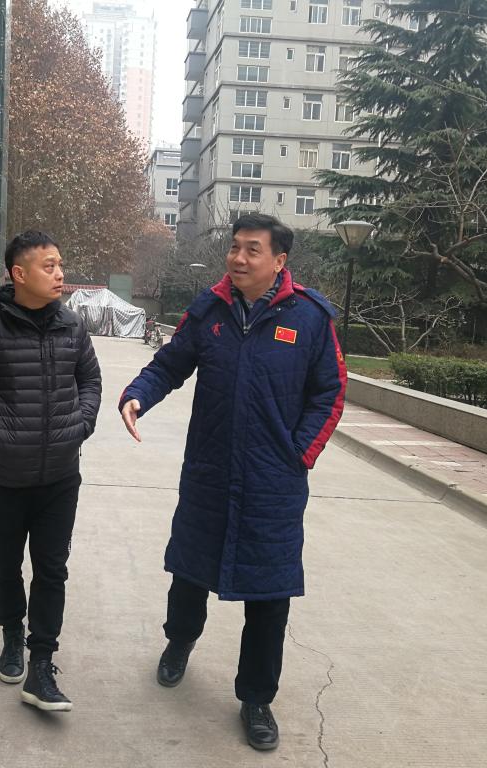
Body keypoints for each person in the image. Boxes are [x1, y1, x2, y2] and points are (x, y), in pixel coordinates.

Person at [119, 213, 346, 750]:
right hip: (210, 471)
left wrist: (298, 455)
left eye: (252, 250)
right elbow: (169, 364)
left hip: (273, 482)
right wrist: (138, 395)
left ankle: (257, 699)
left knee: (270, 593)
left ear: (279, 261)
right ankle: (179, 643)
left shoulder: (310, 318)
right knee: (189, 570)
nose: (239, 259)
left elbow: (330, 393)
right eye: (235, 248)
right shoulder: (210, 309)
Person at [0, 230, 101, 712]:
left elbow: (90, 379)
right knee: (6, 564)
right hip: (5, 477)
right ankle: (12, 634)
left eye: (60, 264)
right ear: (19, 274)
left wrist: (81, 424)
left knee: (52, 569)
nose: (59, 274)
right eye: (49, 266)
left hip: (60, 477)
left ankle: (42, 663)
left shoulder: (72, 326)